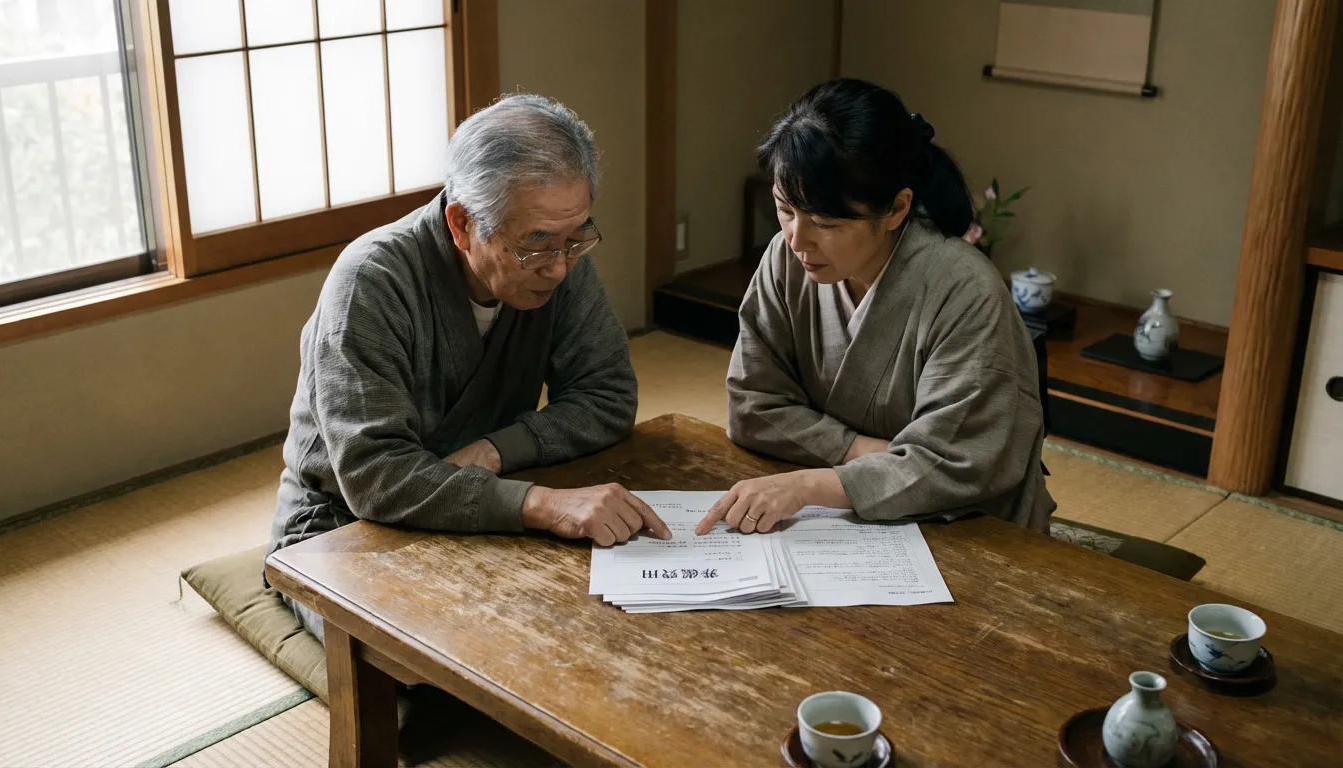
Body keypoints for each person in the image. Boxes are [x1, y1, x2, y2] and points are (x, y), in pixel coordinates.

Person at [266, 94, 671, 643]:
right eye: (535, 244)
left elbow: (608, 395)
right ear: (461, 224)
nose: (559, 268)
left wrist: (496, 451)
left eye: (576, 236)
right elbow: (376, 475)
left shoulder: (560, 255)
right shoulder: (371, 282)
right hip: (345, 527)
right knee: (432, 656)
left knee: (586, 629)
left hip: (484, 496)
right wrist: (539, 503)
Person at [696, 79, 1055, 536]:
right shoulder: (785, 258)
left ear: (896, 209)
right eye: (785, 210)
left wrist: (811, 483)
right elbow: (753, 407)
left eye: (824, 221)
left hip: (966, 522)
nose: (797, 239)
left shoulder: (965, 290)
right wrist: (863, 452)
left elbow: (958, 461)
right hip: (842, 512)